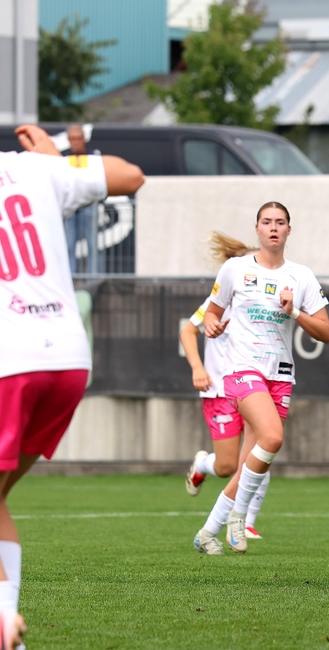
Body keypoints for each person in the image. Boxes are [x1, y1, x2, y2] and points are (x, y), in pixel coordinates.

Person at [0, 124, 144, 647]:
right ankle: (7, 626)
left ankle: (1, 620)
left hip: (8, 362)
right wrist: (58, 159)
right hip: (66, 359)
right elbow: (132, 175)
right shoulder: (37, 167)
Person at [195, 202, 329, 555]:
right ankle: (239, 516)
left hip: (280, 375)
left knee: (249, 462)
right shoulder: (235, 269)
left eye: (280, 222)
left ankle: (208, 531)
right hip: (242, 370)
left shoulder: (301, 276)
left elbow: (326, 332)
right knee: (272, 437)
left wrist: (295, 311)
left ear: (289, 230)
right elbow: (212, 312)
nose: (273, 227)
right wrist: (211, 324)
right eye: (267, 222)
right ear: (257, 229)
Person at [181, 233, 269, 543]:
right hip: (219, 391)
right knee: (229, 465)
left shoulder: (261, 301)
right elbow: (188, 331)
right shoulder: (216, 303)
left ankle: (245, 522)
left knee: (263, 449)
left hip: (250, 385)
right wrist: (198, 368)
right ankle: (203, 464)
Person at [62, 124, 95, 274]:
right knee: (69, 245)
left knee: (93, 245)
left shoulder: (93, 157)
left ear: (84, 139)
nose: (76, 142)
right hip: (70, 207)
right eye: (73, 139)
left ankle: (95, 279)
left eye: (78, 139)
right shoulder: (62, 158)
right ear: (68, 140)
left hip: (88, 205)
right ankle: (71, 279)